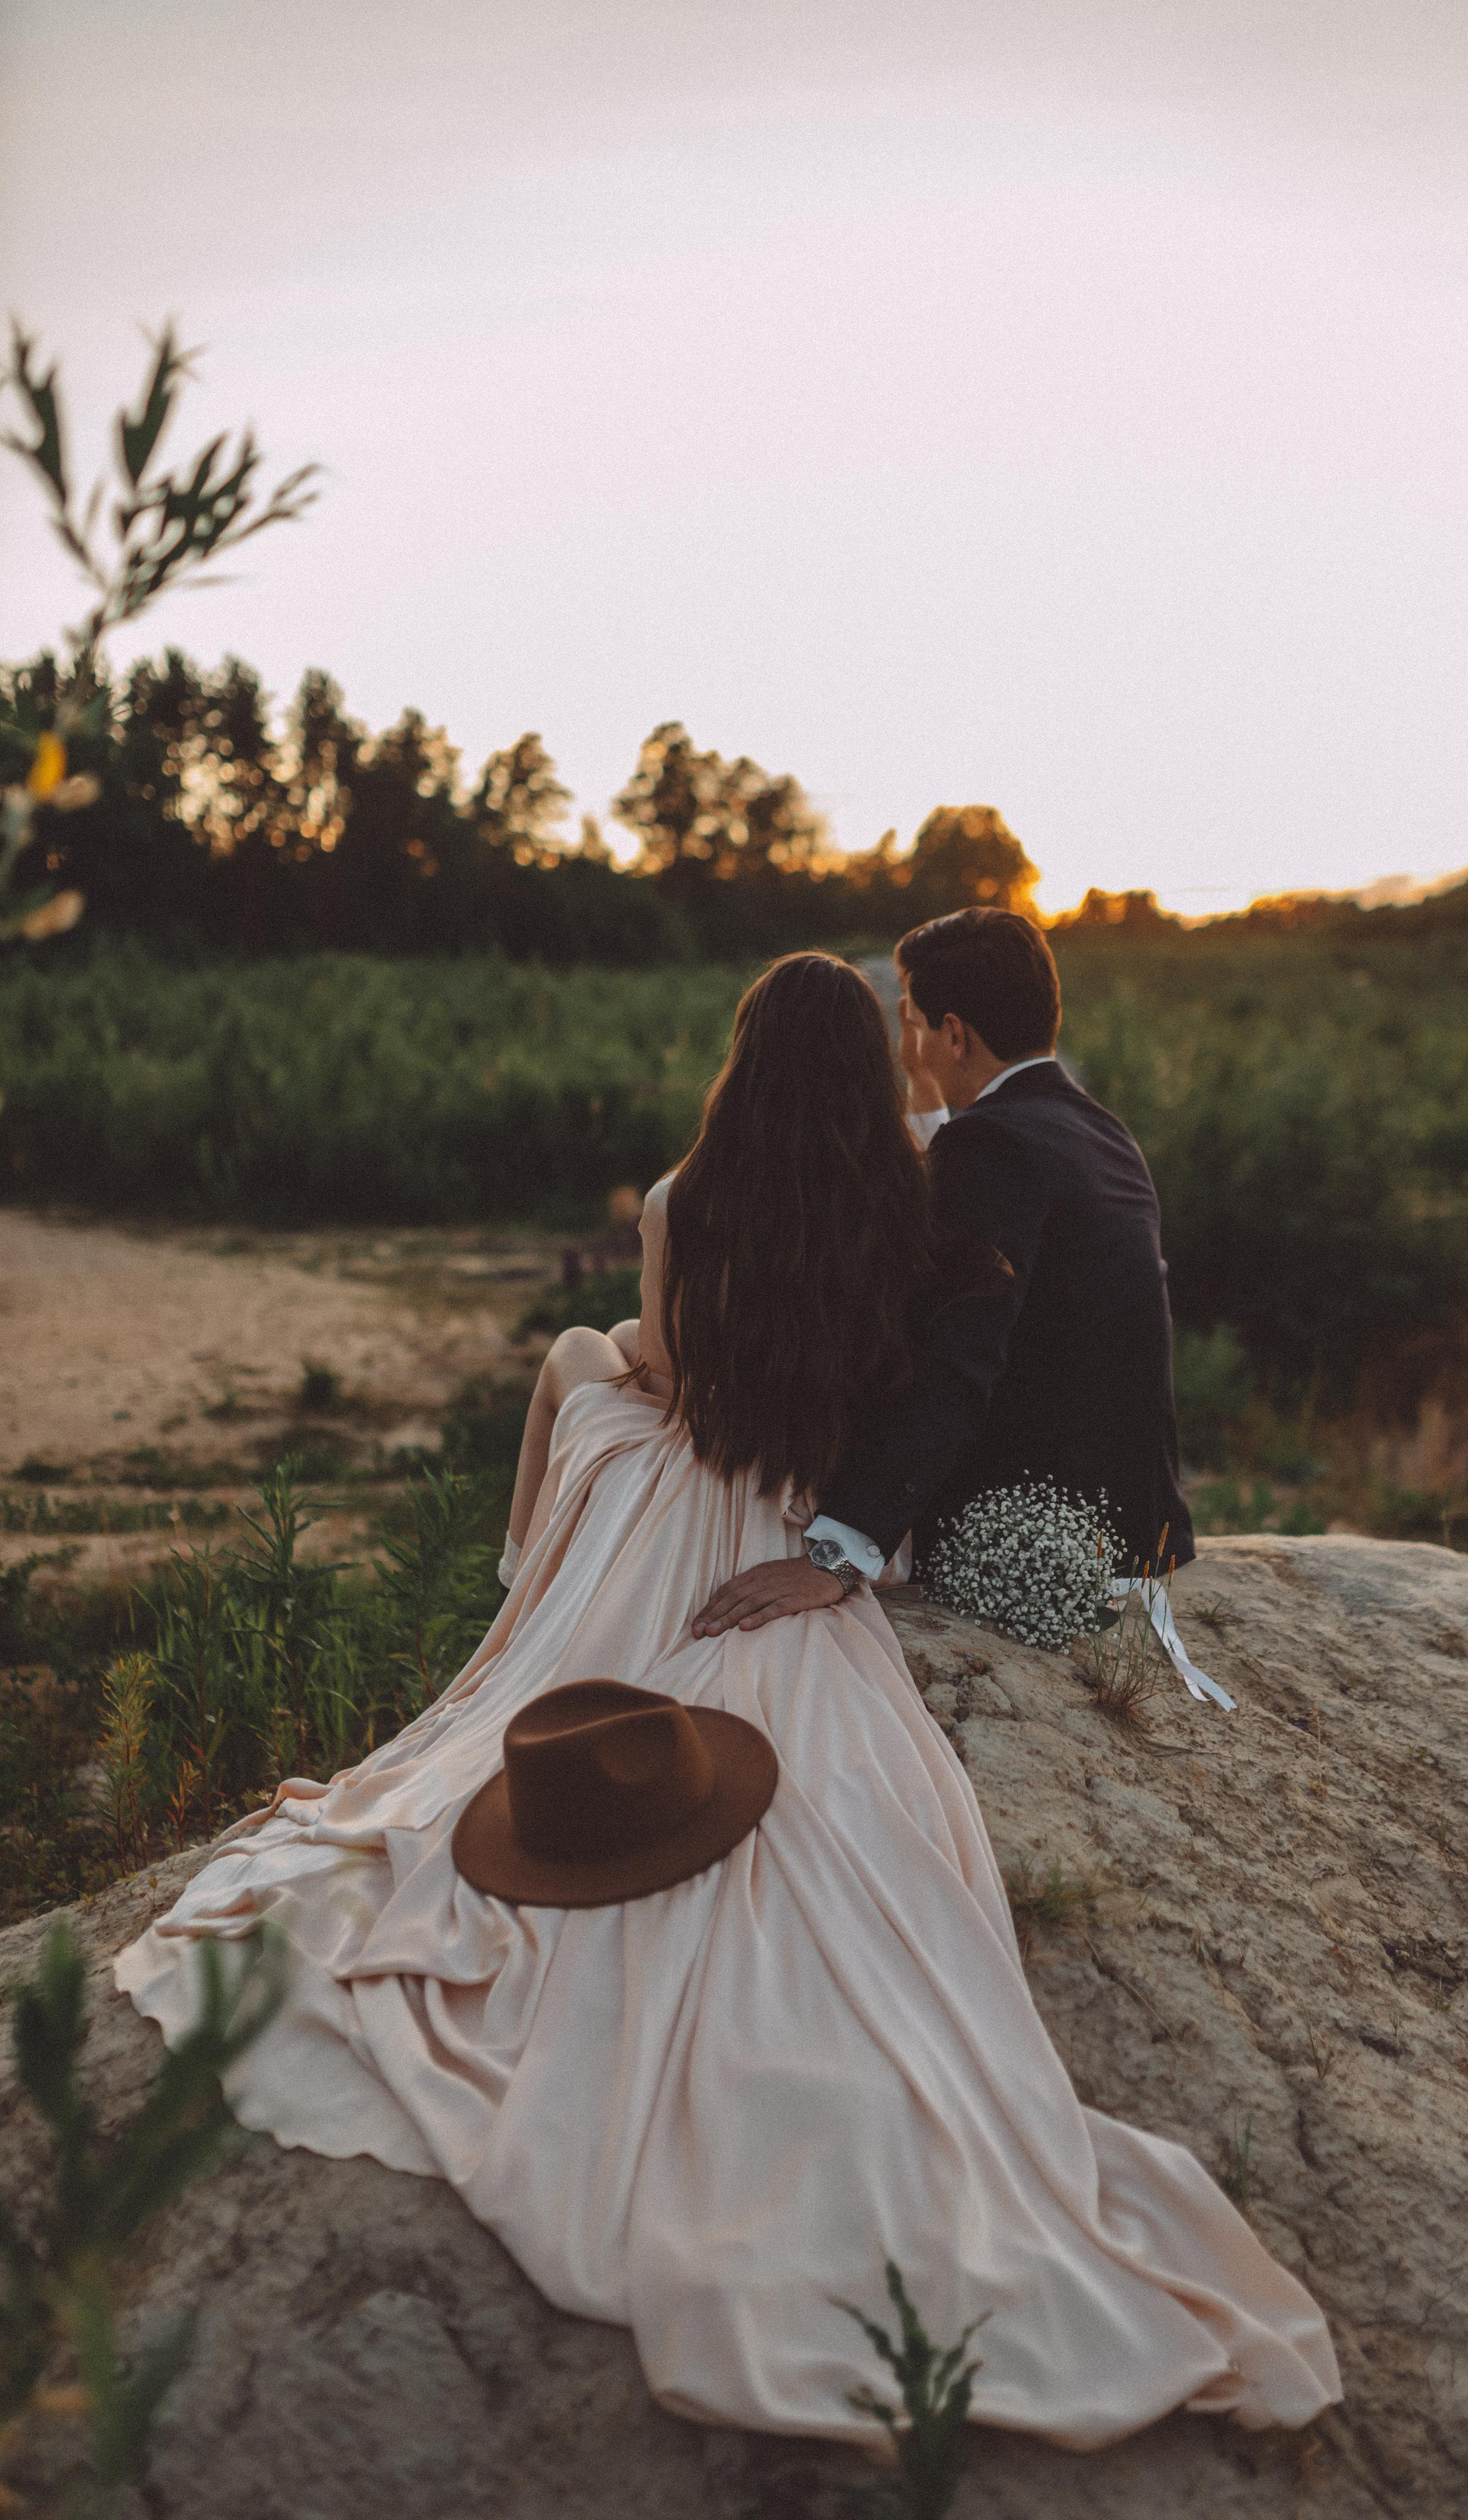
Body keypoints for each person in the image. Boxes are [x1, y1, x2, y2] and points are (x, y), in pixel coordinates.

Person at [116, 952, 1337, 2449]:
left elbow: (679, 1381)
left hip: (697, 1483)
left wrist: (634, 1347)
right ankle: (531, 1588)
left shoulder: (678, 1201)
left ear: (741, 1061)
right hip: (803, 1504)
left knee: (581, 1362)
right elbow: (916, 1363)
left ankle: (525, 1584)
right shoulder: (911, 1191)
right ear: (862, 1070)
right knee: (600, 1378)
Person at [696, 907, 1194, 1639]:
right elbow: (985, 1231)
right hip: (1128, 1525)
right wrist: (928, 1103)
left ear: (953, 1034)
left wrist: (836, 1556)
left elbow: (955, 1359)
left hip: (1037, 1540)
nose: (915, 1043)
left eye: (921, 1025)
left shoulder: (992, 1149)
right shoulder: (1095, 1129)